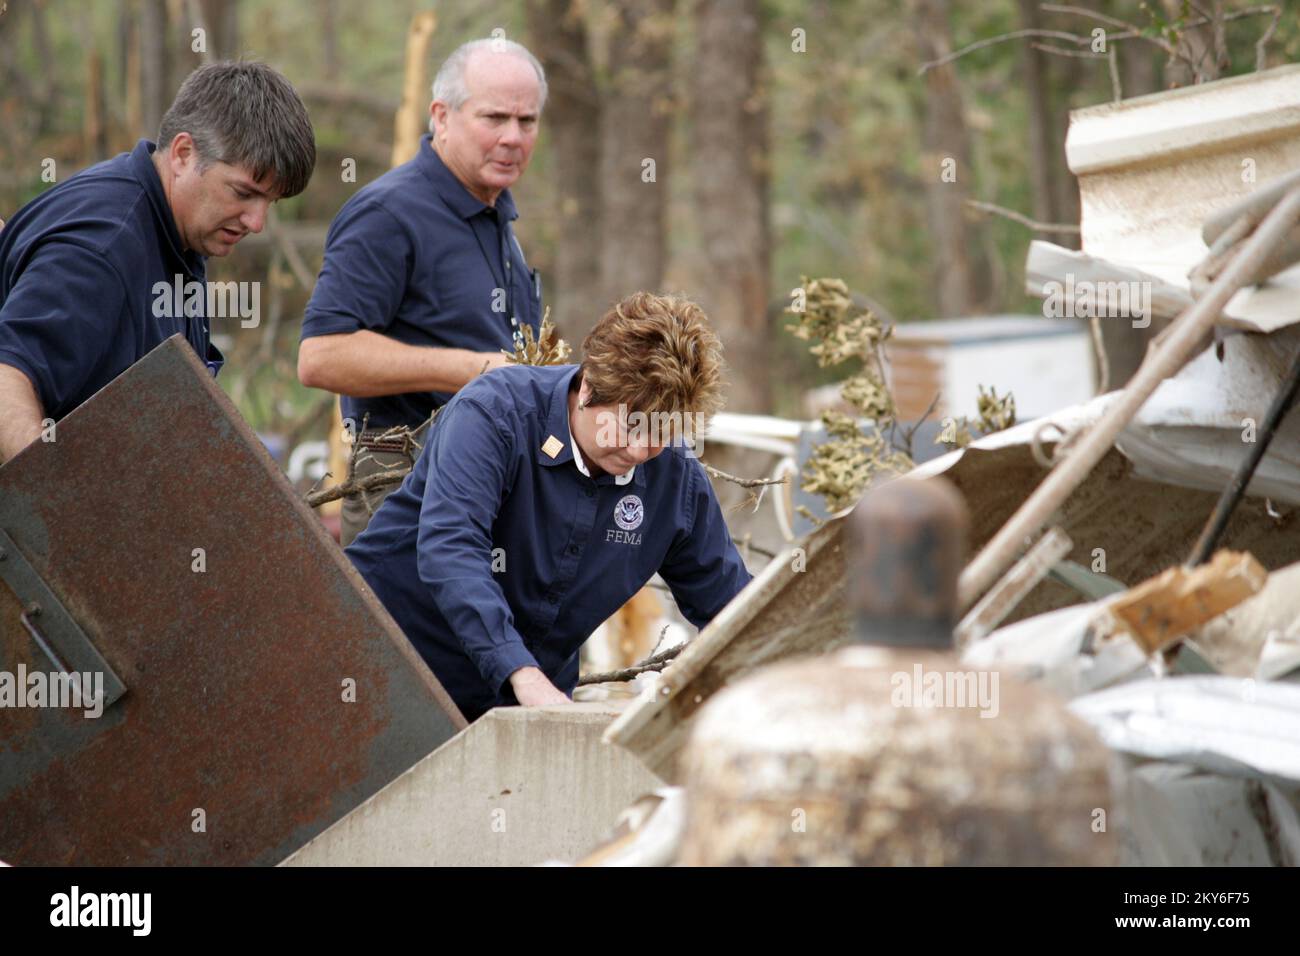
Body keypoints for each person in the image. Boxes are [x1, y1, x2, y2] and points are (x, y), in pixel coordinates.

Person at [347, 293, 753, 722]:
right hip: (382, 670)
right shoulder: (494, 414)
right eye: (628, 424)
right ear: (590, 387)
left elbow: (731, 608)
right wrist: (520, 672)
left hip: (528, 709)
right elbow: (451, 547)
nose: (637, 450)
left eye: (657, 431)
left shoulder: (675, 477)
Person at [0, 61, 316, 463]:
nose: (257, 222)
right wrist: (56, 512)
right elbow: (7, 374)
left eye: (269, 202)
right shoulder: (102, 246)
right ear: (184, 153)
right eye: (243, 193)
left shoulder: (177, 231)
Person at [298, 37, 547, 544]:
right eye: (494, 118)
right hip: (402, 488)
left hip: (489, 482)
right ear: (442, 116)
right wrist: (474, 370)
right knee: (394, 629)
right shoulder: (388, 214)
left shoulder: (497, 215)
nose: (513, 137)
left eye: (527, 121)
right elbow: (320, 356)